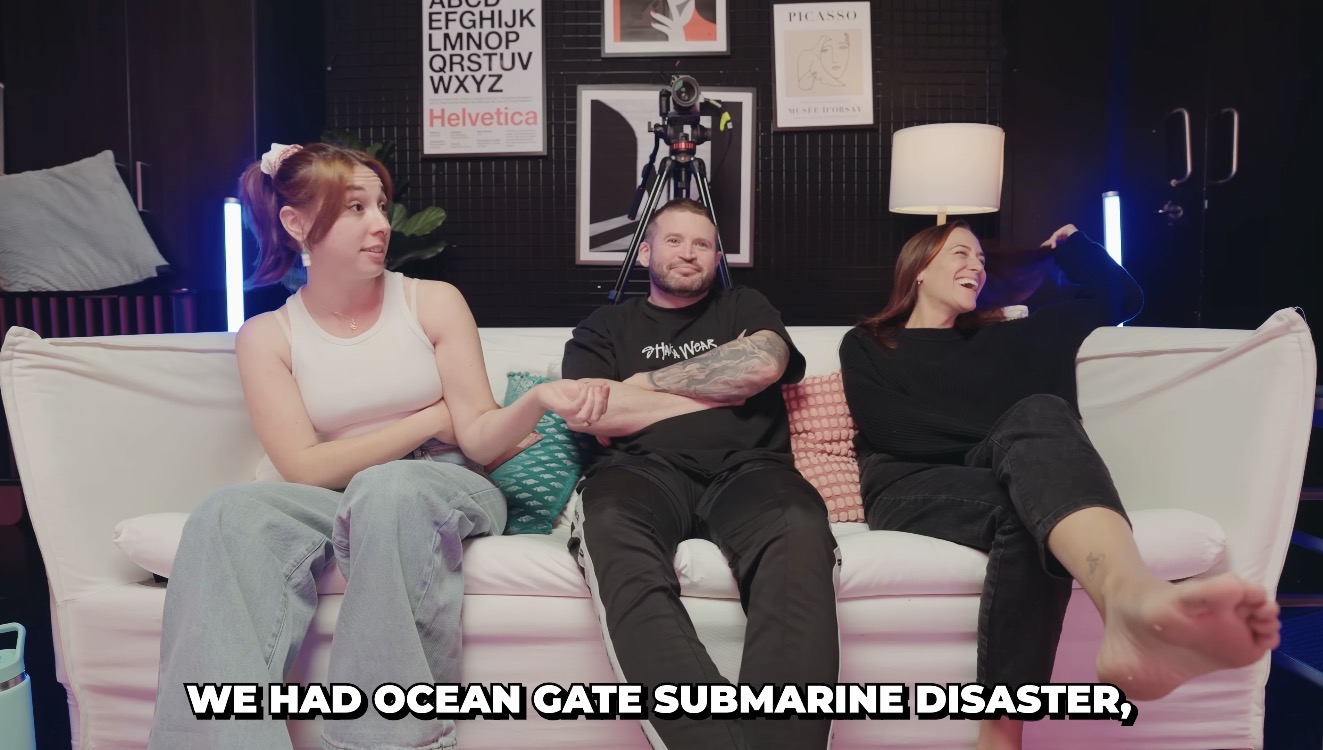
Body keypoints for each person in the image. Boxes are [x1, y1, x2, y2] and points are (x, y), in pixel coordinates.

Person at [148, 142, 606, 750]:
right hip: (336, 495)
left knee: (389, 489)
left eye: (382, 206)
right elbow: (303, 467)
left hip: (443, 482)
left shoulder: (431, 301)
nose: (381, 224)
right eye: (356, 208)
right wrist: (427, 419)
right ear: (297, 224)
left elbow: (476, 435)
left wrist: (536, 402)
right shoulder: (267, 336)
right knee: (225, 512)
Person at [839, 220, 1281, 750]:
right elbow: (895, 430)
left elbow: (1121, 297)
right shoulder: (870, 343)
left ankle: (1130, 603)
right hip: (910, 482)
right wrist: (1013, 446)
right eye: (960, 253)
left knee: (1041, 430)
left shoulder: (1013, 336)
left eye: (982, 259)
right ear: (918, 269)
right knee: (1031, 468)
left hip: (1016, 471)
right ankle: (1003, 738)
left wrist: (1073, 248)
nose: (976, 265)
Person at [561, 198, 839, 750]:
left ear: (716, 257)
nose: (689, 253)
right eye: (674, 240)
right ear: (646, 252)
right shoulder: (605, 326)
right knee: (610, 525)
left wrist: (643, 384)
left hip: (750, 470)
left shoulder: (744, 305)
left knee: (799, 526)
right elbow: (596, 416)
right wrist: (719, 388)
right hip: (639, 472)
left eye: (703, 244)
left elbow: (762, 363)